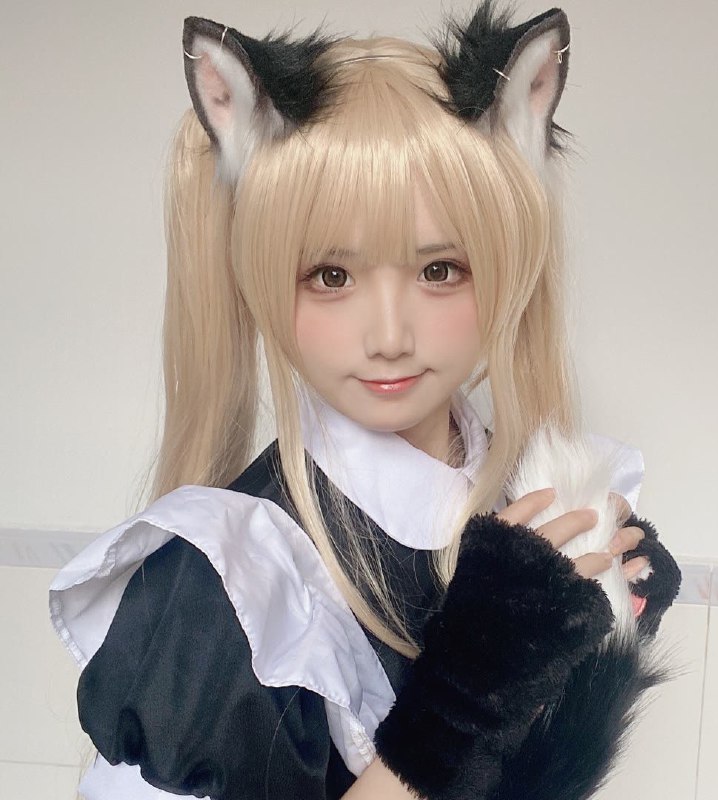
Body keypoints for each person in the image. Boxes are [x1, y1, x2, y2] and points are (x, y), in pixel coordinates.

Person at [50, 3, 681, 799]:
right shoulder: (228, 586)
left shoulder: (531, 497)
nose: (389, 336)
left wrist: (605, 654)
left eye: (441, 270)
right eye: (331, 275)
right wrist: (459, 710)